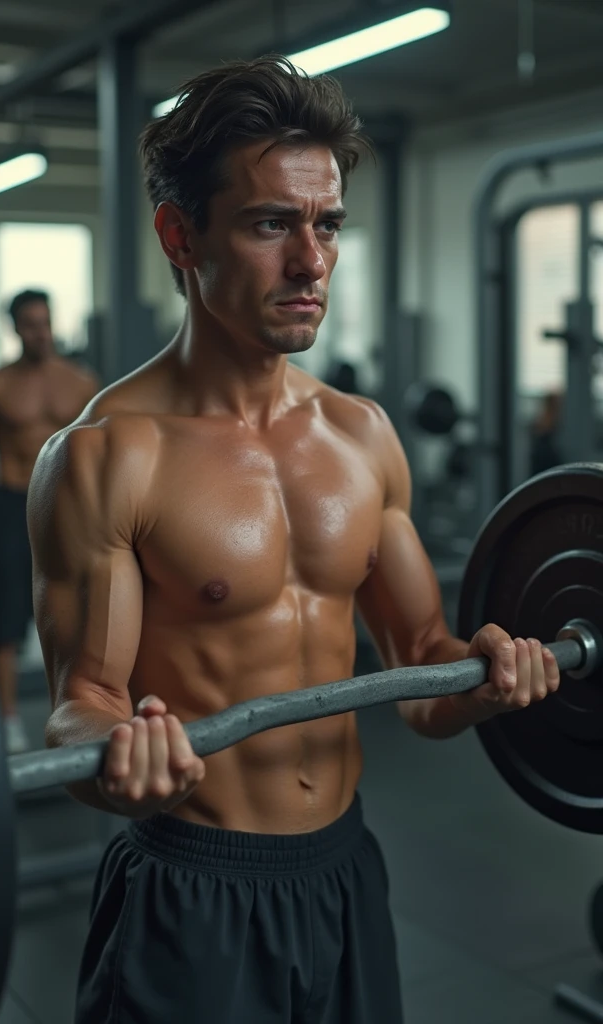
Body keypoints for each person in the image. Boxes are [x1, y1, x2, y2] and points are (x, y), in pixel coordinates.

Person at [28, 58, 561, 1024]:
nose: (312, 262)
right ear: (179, 235)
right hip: (191, 889)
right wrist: (122, 756)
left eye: (327, 225)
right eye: (272, 223)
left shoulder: (362, 437)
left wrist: (487, 675)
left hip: (346, 872)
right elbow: (80, 705)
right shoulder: (109, 458)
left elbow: (423, 681)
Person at [0, 289, 99, 754]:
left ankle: (71, 712)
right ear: (14, 327)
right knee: (4, 622)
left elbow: (101, 448)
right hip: (11, 504)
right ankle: (8, 720)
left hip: (66, 507)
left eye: (46, 322)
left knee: (73, 616)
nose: (40, 332)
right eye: (30, 323)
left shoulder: (81, 382)